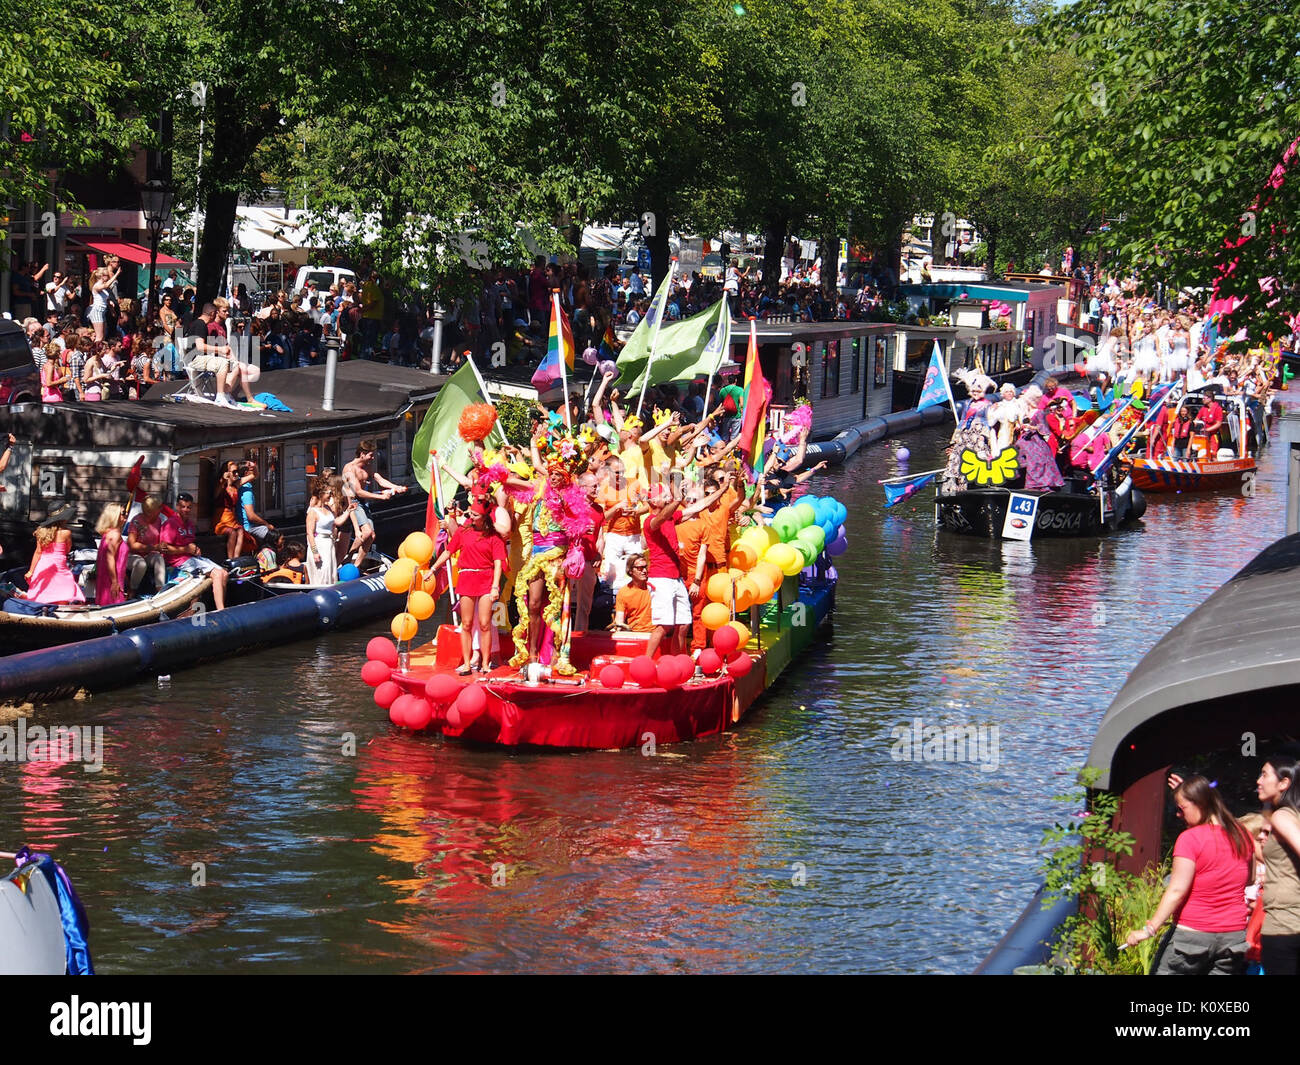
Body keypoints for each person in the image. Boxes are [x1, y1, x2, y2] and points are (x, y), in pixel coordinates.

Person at [1125, 774, 1253, 974]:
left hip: (1192, 937)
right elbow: (1250, 878)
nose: (1177, 814)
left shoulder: (1190, 839)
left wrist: (1149, 929)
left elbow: (1177, 890)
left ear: (1200, 804)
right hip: (1233, 937)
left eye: (1180, 808)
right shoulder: (1242, 834)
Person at [428, 502, 507, 674]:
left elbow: (499, 562)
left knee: (485, 623)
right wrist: (432, 570)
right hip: (467, 578)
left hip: (486, 578)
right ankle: (466, 663)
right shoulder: (463, 532)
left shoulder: (494, 536)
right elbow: (448, 552)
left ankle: (485, 663)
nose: (471, 517)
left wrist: (495, 586)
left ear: (485, 517)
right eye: (470, 514)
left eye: (475, 515)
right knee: (466, 623)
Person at [1255, 756, 1300, 975]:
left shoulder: (1283, 817)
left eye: (1264, 774)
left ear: (1284, 783)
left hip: (1285, 927)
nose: (1258, 780)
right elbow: (1274, 860)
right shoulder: (1291, 816)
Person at [159, 493, 229, 610]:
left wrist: (195, 549)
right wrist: (185, 549)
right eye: (183, 506)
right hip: (178, 562)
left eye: (189, 507)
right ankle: (220, 610)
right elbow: (165, 549)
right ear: (177, 506)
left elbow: (189, 544)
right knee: (217, 574)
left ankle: (215, 605)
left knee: (224, 573)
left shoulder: (190, 524)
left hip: (192, 559)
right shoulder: (171, 524)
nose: (186, 510)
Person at [341, 440, 406, 562]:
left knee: (372, 536)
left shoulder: (367, 467)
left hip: (363, 503)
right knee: (366, 533)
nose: (373, 457)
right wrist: (381, 497)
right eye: (370, 455)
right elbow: (358, 492)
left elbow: (380, 480)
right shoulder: (349, 469)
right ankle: (348, 557)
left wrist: (395, 487)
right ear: (362, 454)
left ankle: (357, 565)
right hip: (353, 503)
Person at [22, 508, 85, 605]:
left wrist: (31, 571)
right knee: (63, 593)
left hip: (43, 565)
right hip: (58, 566)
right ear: (62, 519)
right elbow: (67, 550)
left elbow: (38, 552)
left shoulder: (41, 532)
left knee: (42, 594)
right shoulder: (66, 533)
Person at [126, 496, 168, 595]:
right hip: (132, 555)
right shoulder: (137, 520)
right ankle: (132, 590)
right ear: (151, 510)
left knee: (158, 559)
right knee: (141, 564)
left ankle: (160, 590)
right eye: (159, 507)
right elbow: (132, 545)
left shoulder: (159, 520)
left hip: (149, 554)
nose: (161, 509)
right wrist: (154, 547)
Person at [305, 483, 343, 585]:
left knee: (330, 573)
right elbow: (310, 533)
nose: (331, 495)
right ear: (321, 494)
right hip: (319, 544)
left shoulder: (328, 508)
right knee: (322, 574)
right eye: (329, 493)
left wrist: (349, 510)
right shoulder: (313, 512)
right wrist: (315, 552)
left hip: (329, 544)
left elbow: (337, 522)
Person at [94, 502, 129, 606]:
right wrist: (114, 582)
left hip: (108, 577)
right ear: (115, 516)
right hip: (113, 579)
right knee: (114, 606)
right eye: (123, 513)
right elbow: (110, 558)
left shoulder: (107, 533)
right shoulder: (115, 535)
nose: (126, 516)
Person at [213, 460, 250, 560]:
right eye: (234, 472)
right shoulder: (221, 485)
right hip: (221, 521)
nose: (237, 474)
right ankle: (230, 560)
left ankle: (236, 558)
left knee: (241, 530)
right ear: (227, 472)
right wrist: (223, 480)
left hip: (232, 519)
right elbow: (215, 494)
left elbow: (253, 476)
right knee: (232, 532)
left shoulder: (235, 486)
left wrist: (252, 467)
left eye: (237, 471)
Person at [610, 553, 653, 632]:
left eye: (645, 567)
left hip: (656, 633)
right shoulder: (623, 592)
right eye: (640, 568)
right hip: (634, 633)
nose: (644, 571)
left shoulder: (654, 587)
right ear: (630, 571)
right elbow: (619, 620)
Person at [237, 460, 274, 544]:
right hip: (248, 527)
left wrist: (253, 466)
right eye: (251, 469)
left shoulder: (240, 484)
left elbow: (256, 475)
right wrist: (267, 524)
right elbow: (251, 516)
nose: (254, 470)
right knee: (275, 535)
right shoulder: (246, 491)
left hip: (245, 525)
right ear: (246, 473)